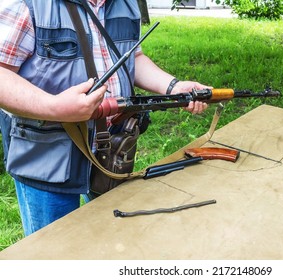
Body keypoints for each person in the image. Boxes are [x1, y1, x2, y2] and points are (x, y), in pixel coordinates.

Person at [0, 0, 208, 237]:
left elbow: (132, 57)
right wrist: (54, 107)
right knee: (51, 252)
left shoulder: (126, 4)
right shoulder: (29, 4)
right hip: (47, 156)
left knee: (110, 239)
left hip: (110, 150)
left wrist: (174, 86)